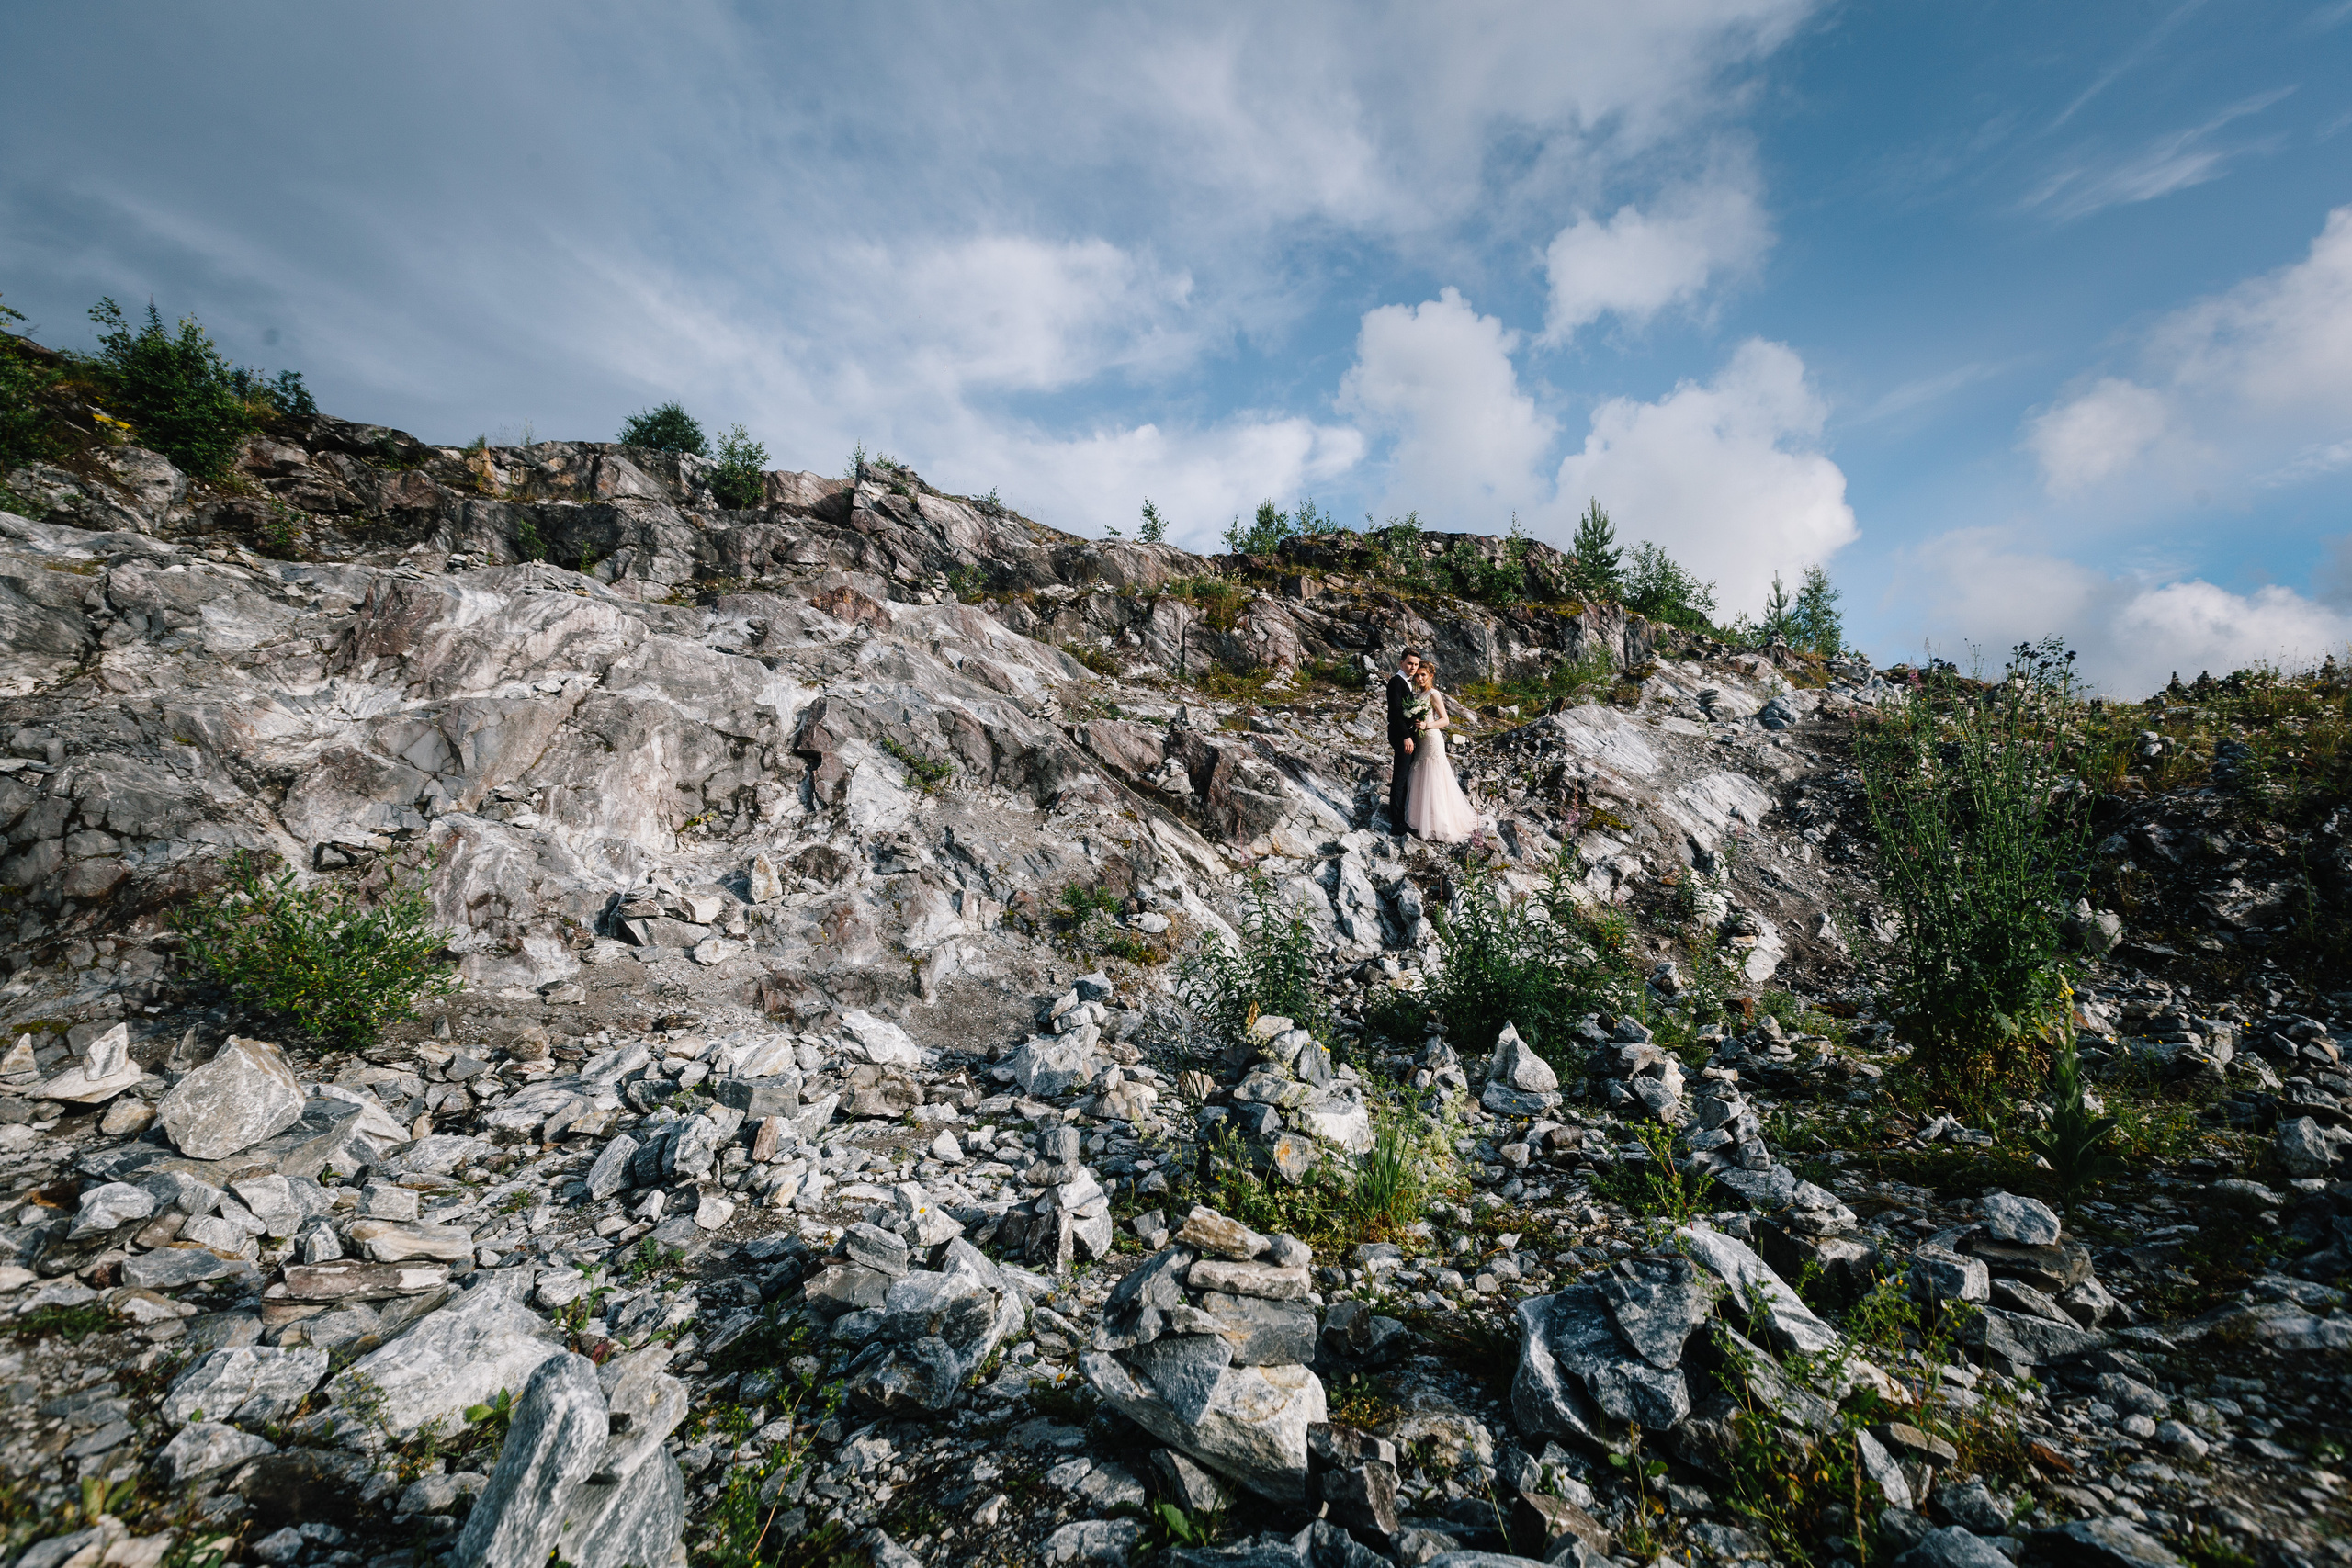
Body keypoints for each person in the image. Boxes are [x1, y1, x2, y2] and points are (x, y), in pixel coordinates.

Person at [1406, 662, 1478, 843]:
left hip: (1432, 740)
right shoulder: (1418, 695)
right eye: (1417, 676)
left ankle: (1440, 824)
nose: (1420, 678)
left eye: (1423, 675)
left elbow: (1445, 720)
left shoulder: (1433, 694)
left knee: (1434, 777)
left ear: (1431, 676)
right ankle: (1420, 821)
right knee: (1421, 776)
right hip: (1421, 741)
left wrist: (1427, 725)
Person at [1385, 649, 1423, 836]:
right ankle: (1397, 823)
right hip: (1402, 736)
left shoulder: (1407, 683)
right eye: (1409, 663)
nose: (1413, 668)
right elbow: (1395, 712)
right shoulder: (1396, 682)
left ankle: (1402, 816)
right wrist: (1405, 736)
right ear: (1401, 663)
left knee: (1405, 777)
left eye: (1416, 665)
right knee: (1399, 778)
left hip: (1407, 735)